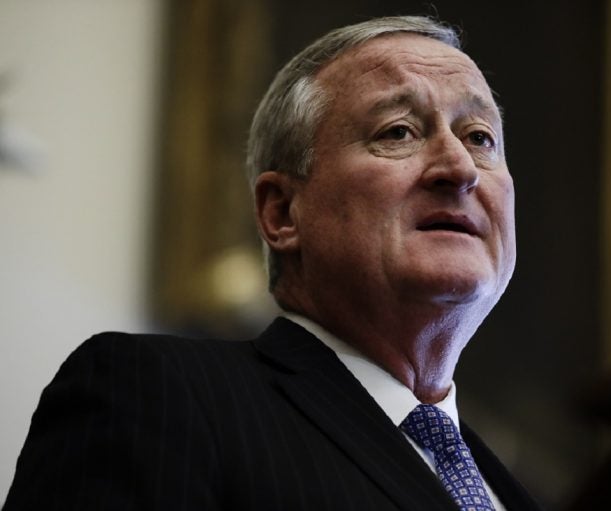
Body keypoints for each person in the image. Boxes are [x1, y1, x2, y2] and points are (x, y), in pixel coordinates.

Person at [4, 16, 540, 511]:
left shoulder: (521, 493)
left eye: (480, 138)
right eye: (398, 131)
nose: (459, 167)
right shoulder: (159, 393)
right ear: (282, 212)